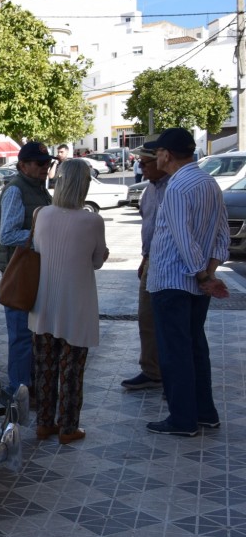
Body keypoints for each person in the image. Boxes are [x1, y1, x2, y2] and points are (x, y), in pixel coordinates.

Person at [144, 128, 230, 437]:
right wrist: (209, 272)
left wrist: (203, 275)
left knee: (175, 352)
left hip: (173, 281)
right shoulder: (209, 182)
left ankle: (183, 419)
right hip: (195, 283)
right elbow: (222, 236)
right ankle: (205, 413)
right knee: (195, 347)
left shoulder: (178, 185)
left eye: (158, 152)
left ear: (167, 153)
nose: (155, 157)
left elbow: (183, 237)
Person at [30, 159, 109, 444]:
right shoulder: (92, 220)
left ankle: (43, 423)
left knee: (44, 367)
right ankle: (68, 427)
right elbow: (97, 262)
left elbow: (39, 250)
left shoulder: (41, 214)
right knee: (71, 370)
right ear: (84, 184)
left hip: (44, 303)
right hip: (77, 305)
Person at [0, 141, 54, 395]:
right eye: (40, 164)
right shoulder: (16, 190)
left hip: (35, 269)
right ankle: (18, 390)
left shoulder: (39, 189)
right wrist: (44, 233)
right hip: (18, 270)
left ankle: (29, 386)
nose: (45, 167)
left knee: (34, 334)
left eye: (48, 163)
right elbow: (7, 234)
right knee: (20, 335)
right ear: (23, 166)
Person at [120, 144, 167, 391]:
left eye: (144, 163)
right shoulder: (149, 191)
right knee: (147, 318)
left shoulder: (176, 189)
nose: (141, 168)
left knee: (171, 323)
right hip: (151, 261)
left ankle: (173, 376)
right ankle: (152, 370)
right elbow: (148, 228)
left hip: (172, 266)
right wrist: (144, 258)